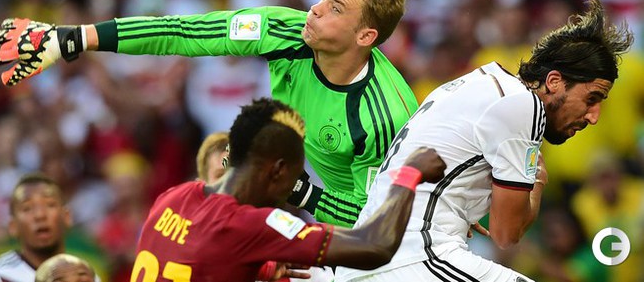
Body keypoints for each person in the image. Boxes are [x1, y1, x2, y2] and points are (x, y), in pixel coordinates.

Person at [0, 0, 417, 227]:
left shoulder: (383, 118)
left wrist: (301, 192)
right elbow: (187, 32)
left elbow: (377, 219)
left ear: (366, 35)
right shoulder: (286, 31)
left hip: (406, 238)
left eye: (335, 8)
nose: (315, 9)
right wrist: (76, 38)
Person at [334, 0, 634, 282]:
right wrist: (538, 182)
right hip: (413, 255)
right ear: (554, 81)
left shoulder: (479, 83)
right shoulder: (523, 105)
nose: (594, 116)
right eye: (592, 98)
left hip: (376, 255)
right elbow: (507, 234)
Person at [128, 98, 446, 282]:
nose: (292, 193)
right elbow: (374, 246)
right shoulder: (250, 224)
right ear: (279, 170)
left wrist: (255, 267)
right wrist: (408, 173)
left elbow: (194, 257)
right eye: (296, 177)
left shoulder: (173, 197)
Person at [0, 173, 72, 282]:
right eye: (27, 208)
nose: (40, 215)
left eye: (50, 205)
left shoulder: (80, 274)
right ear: (13, 227)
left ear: (67, 217)